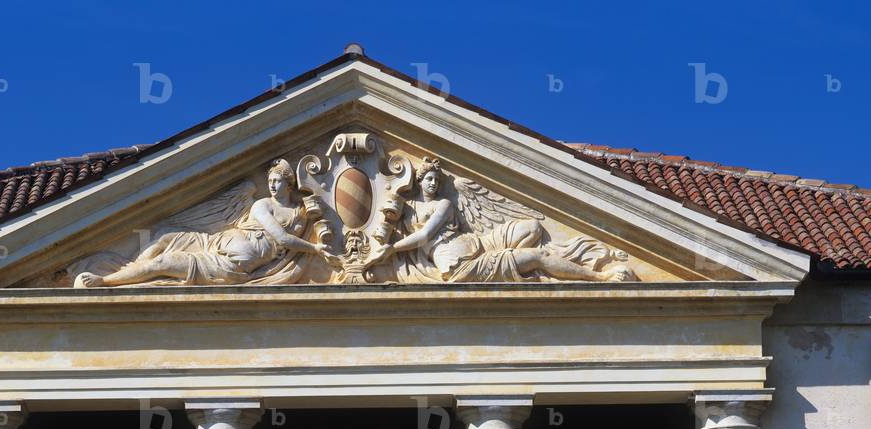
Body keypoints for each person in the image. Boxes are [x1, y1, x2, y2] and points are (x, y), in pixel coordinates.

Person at [76, 159, 336, 287]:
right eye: (269, 180)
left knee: (162, 263)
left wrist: (315, 219)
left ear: (289, 183)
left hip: (224, 265)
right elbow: (281, 239)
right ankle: (132, 267)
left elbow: (290, 239)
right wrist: (314, 249)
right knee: (166, 235)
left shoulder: (297, 214)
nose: (271, 184)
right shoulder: (261, 205)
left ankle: (106, 281)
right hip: (213, 243)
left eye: (277, 180)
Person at [370, 158, 634, 283]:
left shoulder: (444, 203)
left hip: (481, 244)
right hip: (464, 266)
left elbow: (425, 235)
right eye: (428, 179)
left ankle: (527, 265)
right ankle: (599, 277)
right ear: (419, 180)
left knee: (532, 226)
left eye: (437, 180)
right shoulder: (409, 208)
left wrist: (391, 249)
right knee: (537, 257)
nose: (433, 183)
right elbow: (413, 234)